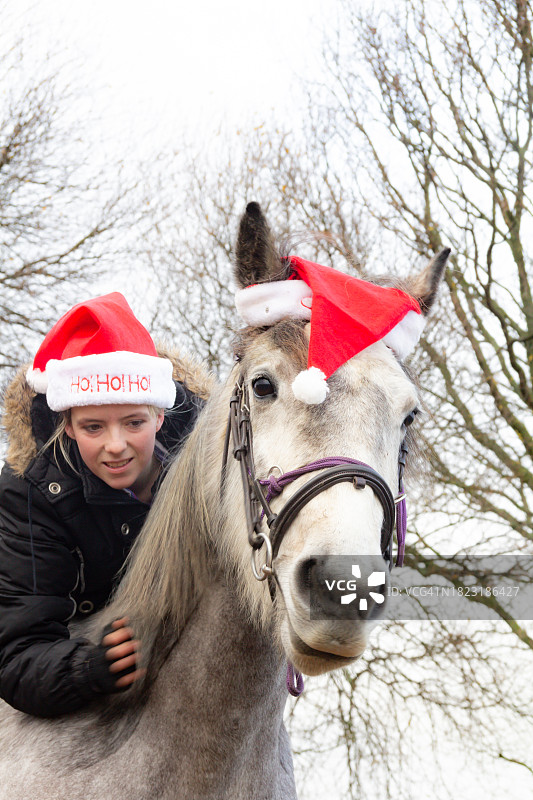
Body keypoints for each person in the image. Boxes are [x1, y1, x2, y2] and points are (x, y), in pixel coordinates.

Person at [0, 293, 203, 717]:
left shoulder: (217, 460)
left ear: (160, 416)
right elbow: (18, 653)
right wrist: (91, 667)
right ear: (68, 426)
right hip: (91, 662)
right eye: (94, 426)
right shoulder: (29, 494)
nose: (116, 446)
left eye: (133, 422)